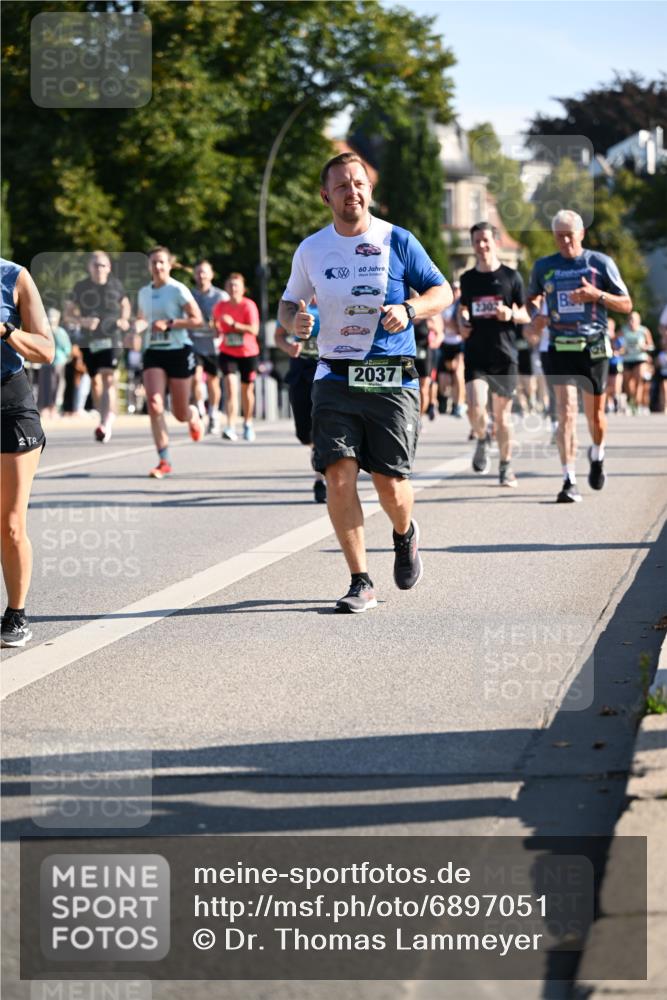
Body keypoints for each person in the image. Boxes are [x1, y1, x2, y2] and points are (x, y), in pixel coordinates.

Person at [278, 151, 452, 613]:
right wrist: (294, 320)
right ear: (326, 196)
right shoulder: (312, 249)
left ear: (369, 189)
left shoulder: (398, 240)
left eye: (358, 184)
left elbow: (443, 291)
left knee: (391, 485)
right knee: (338, 475)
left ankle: (404, 533)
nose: (351, 192)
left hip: (392, 376)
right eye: (341, 186)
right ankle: (360, 580)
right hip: (334, 373)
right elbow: (289, 302)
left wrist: (411, 309)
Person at [527, 209, 632, 503]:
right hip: (560, 346)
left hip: (594, 346)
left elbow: (625, 304)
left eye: (569, 236)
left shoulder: (599, 263)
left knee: (595, 416)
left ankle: (597, 454)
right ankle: (568, 479)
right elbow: (531, 298)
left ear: (581, 233)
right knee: (566, 413)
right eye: (558, 237)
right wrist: (536, 315)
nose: (564, 242)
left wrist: (596, 295)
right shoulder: (544, 266)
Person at [1, 258, 54, 647]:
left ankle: (16, 614)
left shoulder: (14, 277)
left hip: (9, 404)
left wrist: (5, 331)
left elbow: (46, 350)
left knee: (10, 523)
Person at [459, 222, 530, 488]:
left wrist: (510, 314)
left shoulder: (512, 277)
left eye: (486, 240)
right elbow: (463, 310)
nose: (482, 245)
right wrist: (463, 320)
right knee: (475, 407)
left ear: (495, 242)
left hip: (504, 355)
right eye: (477, 241)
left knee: (502, 417)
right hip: (476, 353)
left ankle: (505, 465)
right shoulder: (468, 279)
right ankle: (481, 437)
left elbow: (525, 314)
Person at [135, 246, 204, 478]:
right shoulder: (143, 292)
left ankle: (193, 415)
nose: (157, 266)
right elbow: (142, 319)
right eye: (153, 262)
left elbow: (197, 320)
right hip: (153, 351)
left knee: (179, 413)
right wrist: (134, 328)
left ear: (169, 264)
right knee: (154, 405)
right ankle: (164, 460)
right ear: (149, 266)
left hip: (178, 351)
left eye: (161, 262)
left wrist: (170, 323)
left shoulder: (177, 289)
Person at [64, 251, 131, 443]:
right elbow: (67, 314)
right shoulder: (80, 287)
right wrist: (82, 321)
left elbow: (125, 305)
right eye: (96, 265)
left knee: (108, 376)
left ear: (109, 268)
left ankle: (105, 422)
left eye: (103, 265)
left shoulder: (116, 285)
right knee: (95, 380)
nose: (99, 268)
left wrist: (124, 320)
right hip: (90, 340)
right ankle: (103, 414)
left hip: (112, 337)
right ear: (89, 267)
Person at [275, 297, 327, 503]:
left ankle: (320, 480)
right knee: (304, 432)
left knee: (322, 423)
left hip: (327, 369)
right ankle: (315, 448)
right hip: (301, 369)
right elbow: (278, 336)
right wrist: (288, 348)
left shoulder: (333, 298)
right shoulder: (293, 304)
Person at [212, 273, 261, 442]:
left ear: (242, 289)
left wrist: (233, 324)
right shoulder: (220, 306)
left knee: (247, 389)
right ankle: (230, 426)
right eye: (230, 286)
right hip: (228, 352)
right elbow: (215, 325)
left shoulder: (249, 306)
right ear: (226, 289)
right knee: (231, 388)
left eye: (236, 286)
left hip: (248, 352)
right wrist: (215, 330)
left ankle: (247, 423)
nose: (233, 289)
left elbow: (254, 330)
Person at [190, 260, 228, 434]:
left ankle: (214, 413)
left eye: (204, 272)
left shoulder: (220, 296)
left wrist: (219, 326)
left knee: (213, 382)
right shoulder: (189, 295)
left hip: (213, 345)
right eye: (198, 272)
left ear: (211, 275)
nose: (201, 275)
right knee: (195, 378)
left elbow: (229, 318)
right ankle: (200, 409)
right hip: (194, 343)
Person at [438, 280, 466, 418]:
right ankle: (445, 400)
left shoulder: (462, 306)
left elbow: (463, 327)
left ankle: (458, 404)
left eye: (458, 289)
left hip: (458, 344)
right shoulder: (445, 305)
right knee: (443, 379)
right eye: (453, 288)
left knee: (458, 373)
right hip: (445, 344)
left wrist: (454, 325)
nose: (455, 291)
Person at [37, 307, 71, 418]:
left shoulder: (57, 332)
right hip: (50, 362)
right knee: (48, 385)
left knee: (53, 386)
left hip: (55, 362)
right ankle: (46, 408)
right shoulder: (49, 331)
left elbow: (67, 348)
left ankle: (51, 408)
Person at [620, 311, 654, 414]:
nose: (631, 322)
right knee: (628, 383)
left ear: (638, 321)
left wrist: (645, 347)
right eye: (630, 319)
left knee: (638, 380)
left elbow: (651, 345)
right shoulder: (624, 330)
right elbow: (614, 340)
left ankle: (638, 404)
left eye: (633, 319)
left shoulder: (643, 330)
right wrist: (620, 349)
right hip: (627, 359)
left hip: (640, 358)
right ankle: (632, 400)